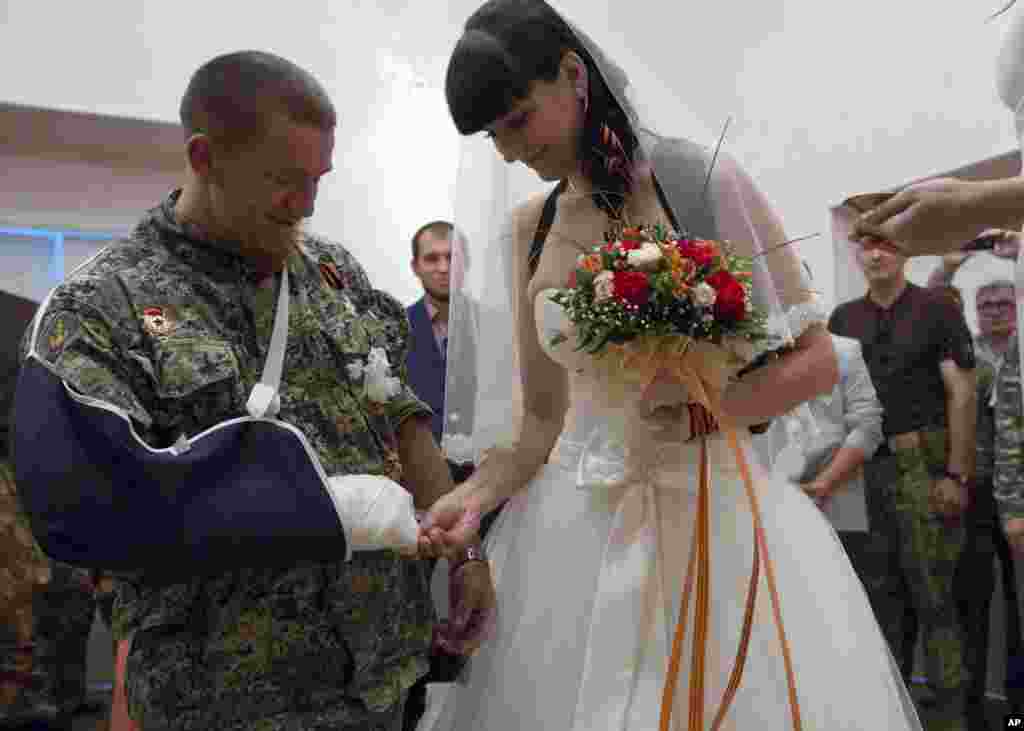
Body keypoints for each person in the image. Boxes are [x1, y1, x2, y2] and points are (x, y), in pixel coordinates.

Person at [415, 1, 923, 728]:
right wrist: (472, 498)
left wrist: (700, 411)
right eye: (492, 135)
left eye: (518, 120)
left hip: (715, 515)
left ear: (572, 75)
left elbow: (815, 363)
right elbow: (539, 424)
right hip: (575, 525)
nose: (507, 151)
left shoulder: (698, 181)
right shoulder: (530, 230)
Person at [12, 51, 494, 730]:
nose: (307, 202)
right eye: (284, 180)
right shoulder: (102, 308)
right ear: (205, 156)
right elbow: (92, 509)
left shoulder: (332, 272)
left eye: (318, 178)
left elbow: (403, 419)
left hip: (381, 678)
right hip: (224, 701)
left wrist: (467, 553)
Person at [830, 233, 978, 729]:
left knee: (935, 598)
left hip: (925, 468)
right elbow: (832, 405)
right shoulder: (843, 320)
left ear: (905, 253)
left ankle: (951, 721)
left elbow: (961, 393)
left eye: (887, 244)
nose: (876, 254)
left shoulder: (937, 310)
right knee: (877, 603)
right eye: (866, 245)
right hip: (863, 473)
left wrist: (957, 474)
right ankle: (890, 716)